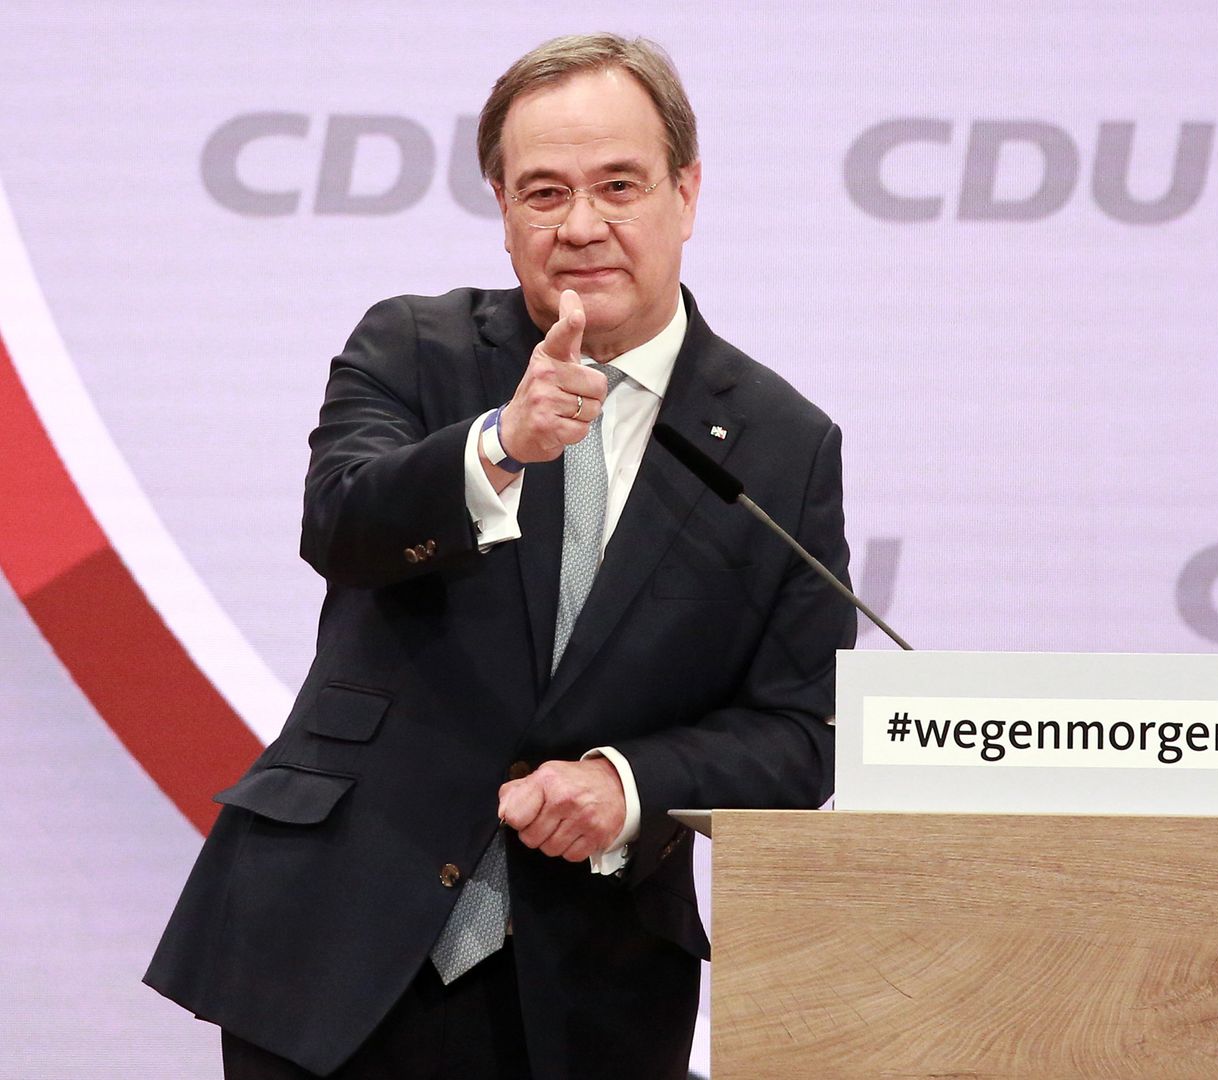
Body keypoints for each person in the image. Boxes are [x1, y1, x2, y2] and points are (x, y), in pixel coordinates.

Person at [145, 32, 852, 1079]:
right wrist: (498, 446)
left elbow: (802, 733)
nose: (582, 227)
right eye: (543, 193)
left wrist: (632, 783)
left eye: (619, 184)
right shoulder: (414, 348)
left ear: (687, 193)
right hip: (335, 949)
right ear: (502, 204)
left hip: (591, 987)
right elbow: (340, 523)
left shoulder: (787, 445)